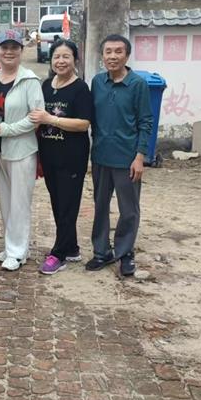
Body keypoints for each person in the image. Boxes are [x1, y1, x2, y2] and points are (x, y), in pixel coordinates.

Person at [86, 34, 153, 277]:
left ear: (127, 55)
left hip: (127, 159)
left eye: (118, 51)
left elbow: (146, 122)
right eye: (108, 52)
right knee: (100, 206)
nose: (112, 56)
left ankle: (125, 253)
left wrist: (140, 156)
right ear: (102, 55)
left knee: (129, 209)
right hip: (101, 155)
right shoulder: (97, 82)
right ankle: (101, 251)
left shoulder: (138, 85)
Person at [29, 39, 93, 274]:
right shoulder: (46, 85)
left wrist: (51, 119)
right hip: (49, 155)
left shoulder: (80, 88)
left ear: (75, 60)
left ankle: (59, 254)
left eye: (66, 56)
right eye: (57, 56)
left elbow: (83, 123)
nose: (61, 61)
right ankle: (72, 247)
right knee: (58, 202)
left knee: (67, 205)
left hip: (71, 157)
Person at [0, 30, 44, 271]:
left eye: (14, 47)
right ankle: (14, 247)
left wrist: (7, 129)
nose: (8, 52)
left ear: (21, 50)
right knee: (6, 200)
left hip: (21, 150)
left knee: (20, 202)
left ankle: (17, 251)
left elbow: (36, 118)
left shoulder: (30, 80)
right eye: (4, 47)